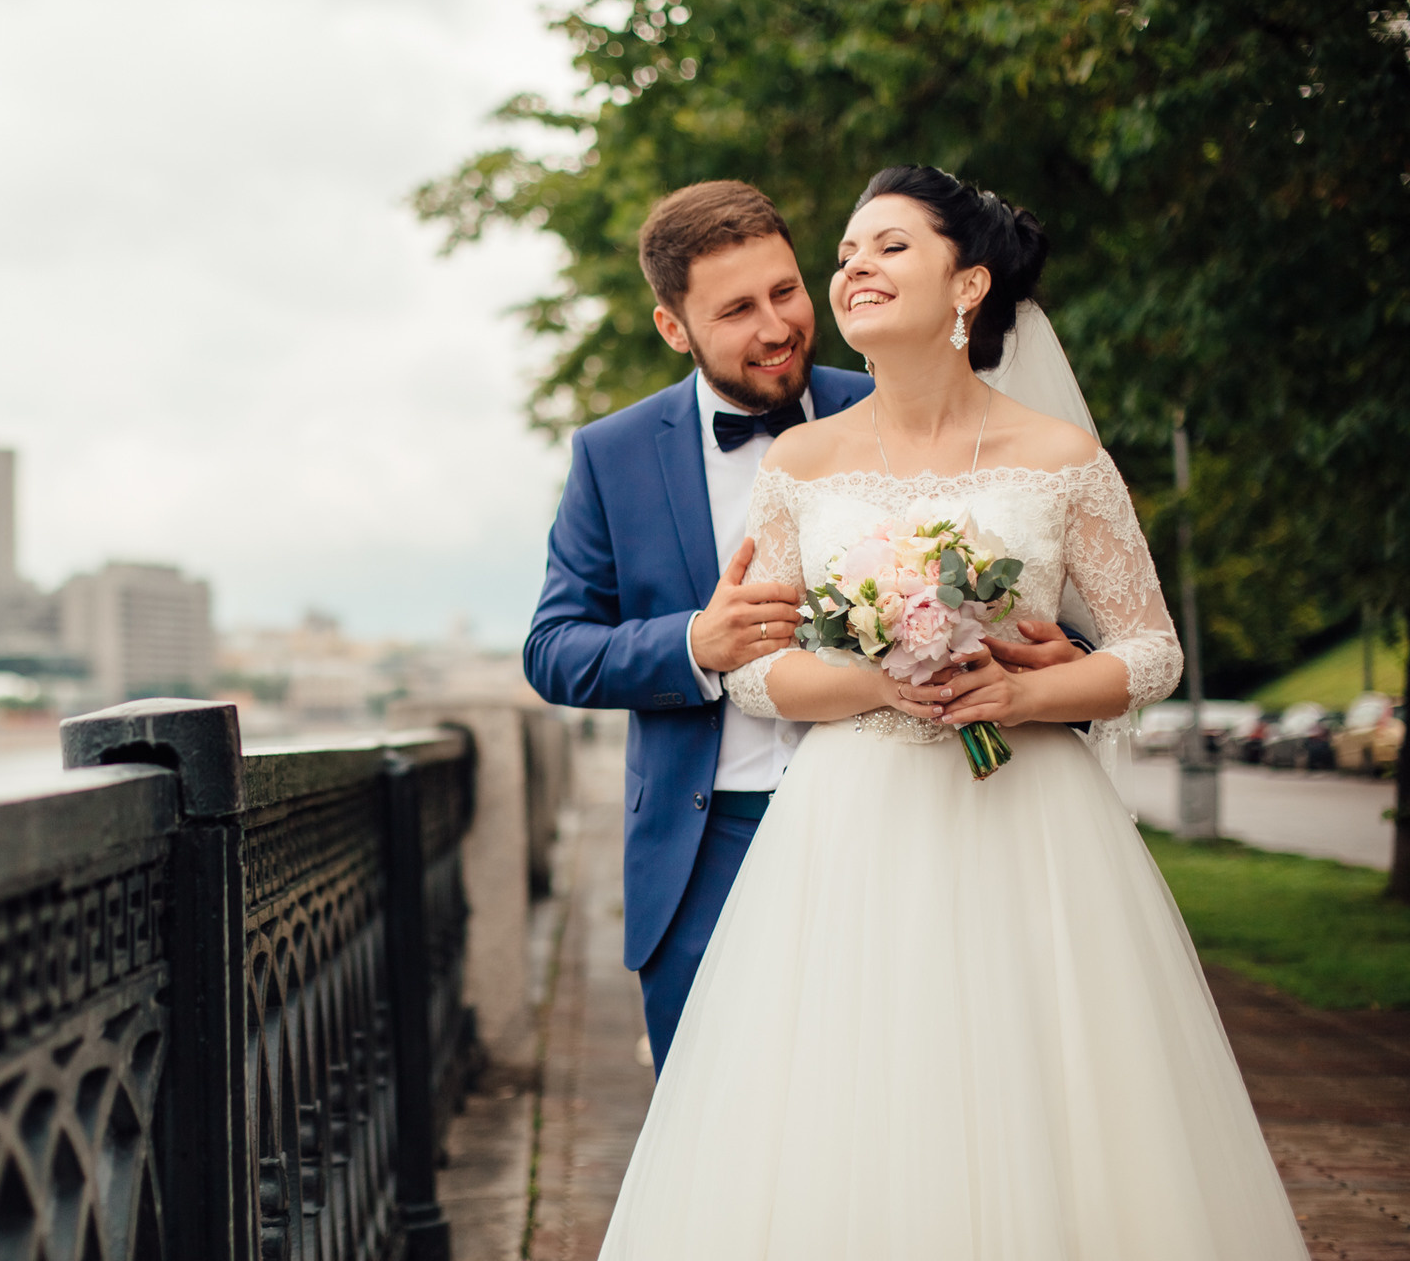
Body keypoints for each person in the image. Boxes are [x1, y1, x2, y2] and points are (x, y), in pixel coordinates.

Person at [596, 166, 1307, 1258]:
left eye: (887, 247)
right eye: (846, 253)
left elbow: (1153, 649)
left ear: (966, 283)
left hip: (1031, 823)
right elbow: (757, 670)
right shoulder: (803, 460)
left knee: (1049, 1097)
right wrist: (886, 678)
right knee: (855, 1100)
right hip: (850, 826)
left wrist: (1026, 690)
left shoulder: (1061, 458)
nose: (852, 270)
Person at [523, 180, 1082, 1073]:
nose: (776, 326)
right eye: (737, 310)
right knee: (713, 1126)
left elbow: (1033, 587)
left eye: (784, 291)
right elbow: (552, 650)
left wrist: (1060, 670)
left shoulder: (902, 395)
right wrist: (693, 645)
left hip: (912, 826)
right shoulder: (611, 455)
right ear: (675, 328)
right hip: (710, 845)